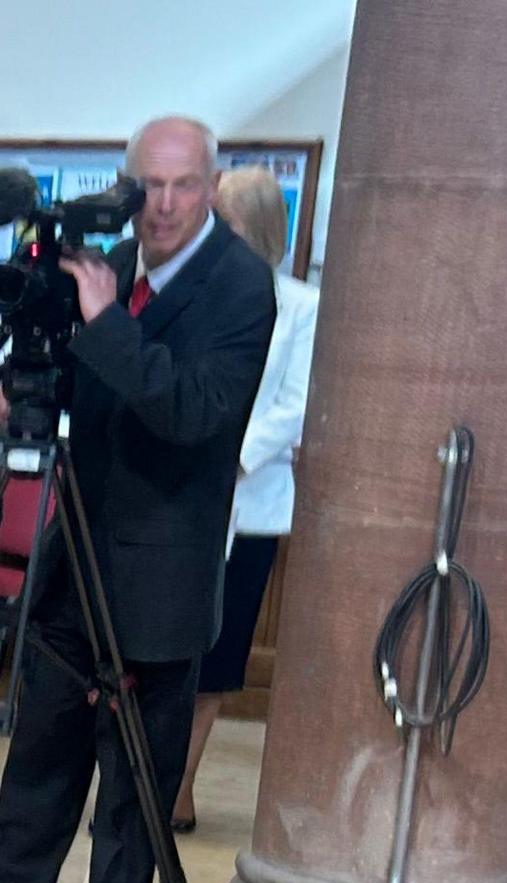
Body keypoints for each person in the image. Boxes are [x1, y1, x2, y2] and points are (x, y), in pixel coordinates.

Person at [0, 114, 274, 883]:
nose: (162, 207)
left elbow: (196, 412)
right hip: (71, 551)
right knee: (38, 766)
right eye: (148, 187)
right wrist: (28, 386)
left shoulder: (240, 287)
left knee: (135, 784)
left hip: (162, 575)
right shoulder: (109, 266)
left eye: (182, 187)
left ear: (209, 186)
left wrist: (101, 326)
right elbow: (76, 387)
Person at [176, 165, 316, 831]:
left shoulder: (302, 306)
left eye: (223, 223)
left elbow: (296, 405)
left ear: (255, 228)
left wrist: (231, 455)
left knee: (217, 654)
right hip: (179, 496)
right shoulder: (191, 292)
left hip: (248, 500)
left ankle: (180, 785)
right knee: (163, 647)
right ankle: (143, 779)